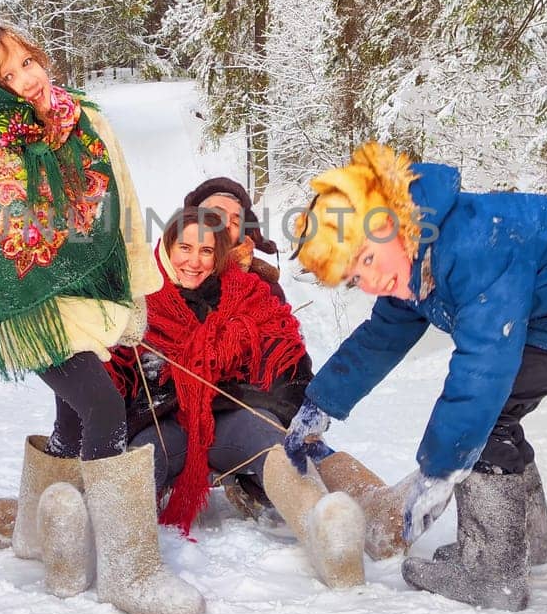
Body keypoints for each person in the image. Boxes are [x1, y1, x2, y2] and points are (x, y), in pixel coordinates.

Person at [285, 142, 547, 610]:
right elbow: (381, 336)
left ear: (386, 225)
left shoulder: (473, 247)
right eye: (355, 278)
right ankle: (526, 544)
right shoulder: (413, 254)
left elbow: (483, 367)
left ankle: (492, 574)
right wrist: (321, 404)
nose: (370, 283)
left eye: (366, 261)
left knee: (486, 414)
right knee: (497, 412)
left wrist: (439, 472)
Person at [0, 24, 202, 614]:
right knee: (105, 407)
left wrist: (136, 289)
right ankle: (127, 567)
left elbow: (125, 205)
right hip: (31, 309)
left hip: (91, 296)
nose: (29, 79)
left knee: (74, 412)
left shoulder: (84, 121)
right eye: (7, 77)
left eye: (29, 62)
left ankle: (41, 529)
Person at [108, 207, 367, 587]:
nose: (194, 261)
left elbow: (287, 361)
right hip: (166, 426)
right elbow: (111, 374)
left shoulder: (247, 294)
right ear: (166, 247)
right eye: (185, 248)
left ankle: (326, 531)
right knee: (142, 459)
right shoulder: (137, 299)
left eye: (207, 251)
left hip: (231, 422)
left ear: (220, 255)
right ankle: (125, 558)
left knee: (274, 443)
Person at [182, 176, 284, 299]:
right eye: (217, 214)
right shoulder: (158, 276)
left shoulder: (266, 290)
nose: (227, 224)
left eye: (236, 222)